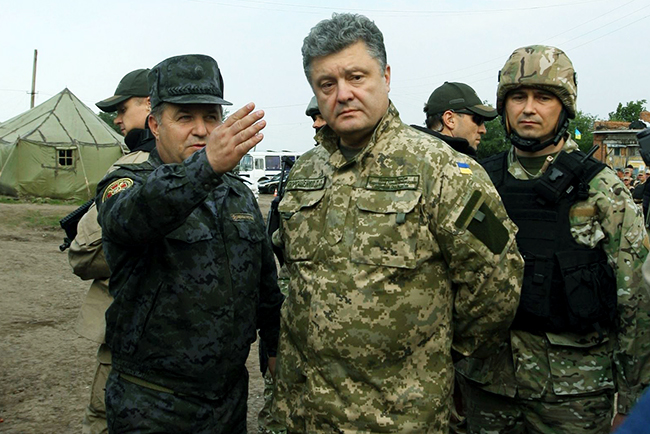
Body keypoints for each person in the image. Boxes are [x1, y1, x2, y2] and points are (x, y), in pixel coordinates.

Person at [272, 13, 523, 433]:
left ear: (385, 76)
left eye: (356, 77)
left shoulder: (442, 169)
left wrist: (437, 351)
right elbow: (292, 276)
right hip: (305, 415)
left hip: (399, 417)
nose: (343, 94)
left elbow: (497, 280)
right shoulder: (304, 173)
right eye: (327, 84)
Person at [459, 45, 650, 433]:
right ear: (504, 106)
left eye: (543, 98)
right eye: (518, 97)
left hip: (574, 394)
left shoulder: (602, 190)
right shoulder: (478, 182)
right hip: (489, 387)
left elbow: (636, 300)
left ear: (564, 107)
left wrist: (632, 400)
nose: (529, 109)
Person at [95, 54, 284, 433]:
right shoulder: (127, 183)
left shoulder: (238, 195)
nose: (201, 130)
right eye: (184, 117)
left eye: (211, 117)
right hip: (152, 403)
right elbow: (131, 219)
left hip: (228, 401)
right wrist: (206, 167)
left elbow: (264, 285)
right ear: (155, 125)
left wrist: (274, 347)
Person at [69, 68, 153, 434]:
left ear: (149, 104)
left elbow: (83, 253)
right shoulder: (215, 173)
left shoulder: (130, 169)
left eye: (122, 108)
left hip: (128, 333)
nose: (117, 119)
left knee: (106, 420)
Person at [411, 81, 497, 158]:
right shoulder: (449, 164)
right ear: (450, 119)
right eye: (478, 120)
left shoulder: (411, 154)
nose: (483, 130)